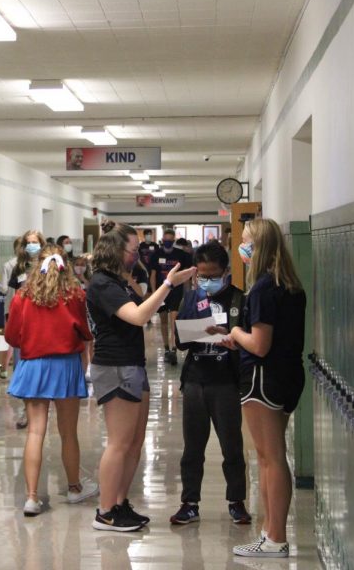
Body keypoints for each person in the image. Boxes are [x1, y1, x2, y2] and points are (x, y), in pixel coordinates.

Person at [87, 220, 195, 532]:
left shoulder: (120, 280)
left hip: (133, 364)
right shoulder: (101, 284)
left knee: (134, 442)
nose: (137, 256)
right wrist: (168, 285)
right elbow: (138, 317)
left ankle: (120, 503)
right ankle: (105, 511)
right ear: (116, 250)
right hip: (115, 366)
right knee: (119, 443)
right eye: (133, 251)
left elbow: (142, 304)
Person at [216, 219, 306, 558]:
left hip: (262, 380)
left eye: (248, 241)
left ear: (261, 246)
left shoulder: (265, 288)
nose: (243, 247)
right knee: (271, 457)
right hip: (286, 376)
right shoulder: (290, 285)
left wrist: (235, 334)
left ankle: (275, 537)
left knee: (270, 459)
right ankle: (270, 532)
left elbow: (260, 344)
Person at [5, 244, 97, 516]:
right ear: (65, 265)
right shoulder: (75, 294)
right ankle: (73, 488)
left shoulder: (23, 295)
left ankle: (32, 498)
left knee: (35, 432)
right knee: (68, 432)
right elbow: (84, 331)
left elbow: (11, 337)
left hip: (33, 365)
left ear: (36, 264)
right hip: (66, 366)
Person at [170, 241, 251, 526]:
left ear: (226, 272)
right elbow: (180, 341)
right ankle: (189, 503)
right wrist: (196, 331)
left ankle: (237, 501)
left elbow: (250, 344)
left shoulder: (239, 300)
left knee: (232, 447)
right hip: (195, 381)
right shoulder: (191, 298)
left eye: (213, 275)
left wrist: (228, 337)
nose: (207, 281)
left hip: (226, 383)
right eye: (201, 276)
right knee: (193, 448)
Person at [1, 230, 47, 429]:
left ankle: (42, 405)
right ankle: (26, 411)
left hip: (44, 324)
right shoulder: (18, 267)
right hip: (23, 324)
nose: (32, 246)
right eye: (28, 242)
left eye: (35, 242)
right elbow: (12, 297)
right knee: (22, 367)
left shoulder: (49, 266)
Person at [149, 228, 193, 366]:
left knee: (174, 319)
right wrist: (155, 292)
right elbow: (153, 275)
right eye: (165, 241)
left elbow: (186, 276)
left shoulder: (181, 254)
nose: (167, 243)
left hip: (176, 291)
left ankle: (174, 348)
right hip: (162, 292)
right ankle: (166, 347)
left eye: (170, 241)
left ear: (173, 241)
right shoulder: (157, 254)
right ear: (162, 241)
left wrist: (187, 293)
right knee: (163, 321)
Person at [0, 236, 25, 380]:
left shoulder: (8, 264)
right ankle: (11, 368)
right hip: (21, 308)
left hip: (10, 307)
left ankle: (3, 367)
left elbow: (2, 288)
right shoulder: (26, 265)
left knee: (8, 336)